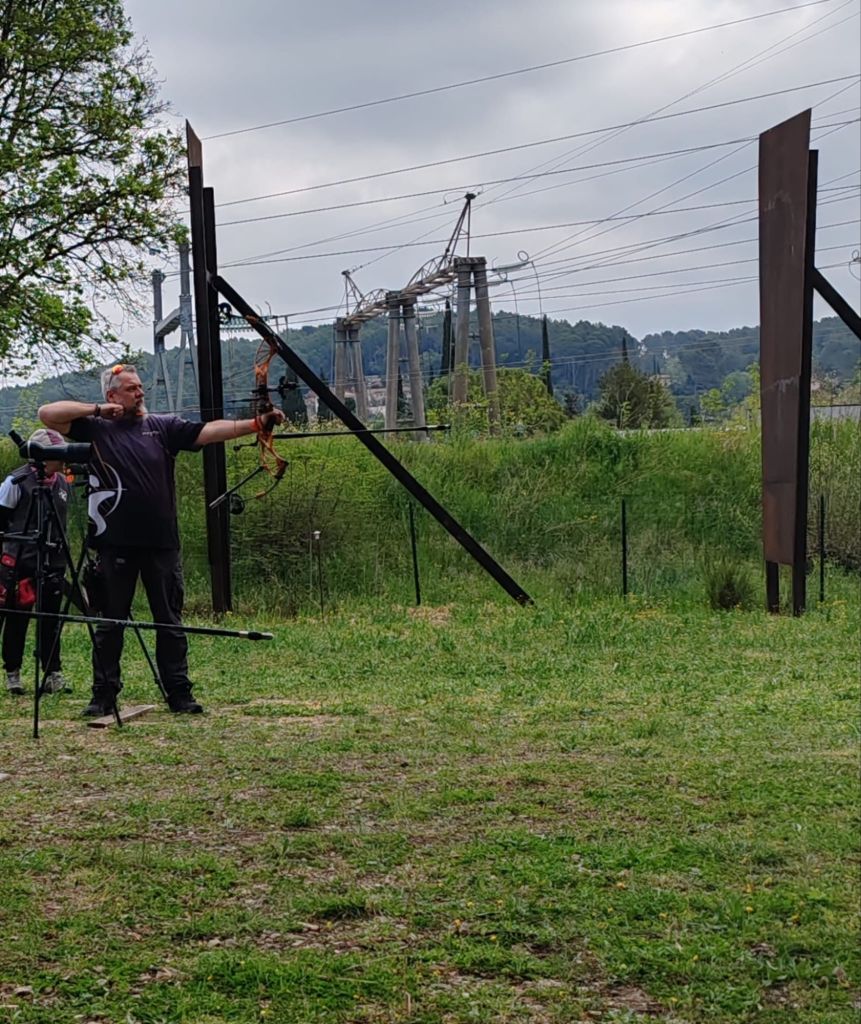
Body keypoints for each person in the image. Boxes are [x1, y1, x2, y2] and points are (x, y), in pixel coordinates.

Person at [38, 364, 284, 716]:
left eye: (140, 387)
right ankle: (103, 695)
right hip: (113, 541)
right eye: (131, 388)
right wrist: (97, 410)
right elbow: (47, 414)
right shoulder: (95, 428)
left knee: (169, 620)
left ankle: (179, 693)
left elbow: (208, 431)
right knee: (110, 623)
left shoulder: (162, 426)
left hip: (161, 541)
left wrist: (257, 423)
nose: (140, 393)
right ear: (112, 395)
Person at [0, 428, 71, 696]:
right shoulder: (15, 482)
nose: (63, 458)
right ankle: (13, 673)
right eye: (57, 453)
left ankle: (52, 673)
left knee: (51, 619)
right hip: (20, 561)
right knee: (17, 618)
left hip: (54, 560)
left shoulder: (62, 482)